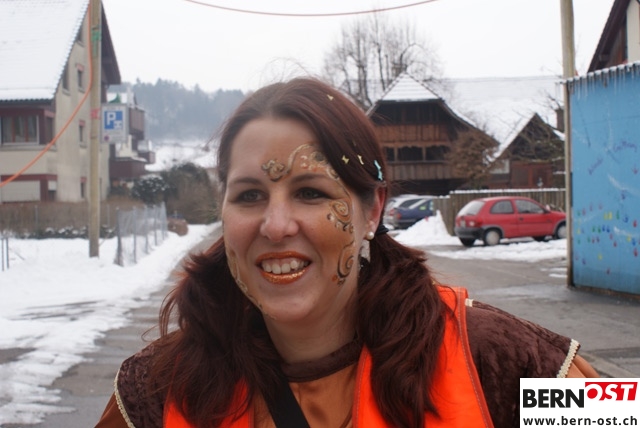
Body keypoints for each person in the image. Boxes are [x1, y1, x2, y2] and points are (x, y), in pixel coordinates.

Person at [96, 77, 598, 428]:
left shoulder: (506, 361)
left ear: (372, 211)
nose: (276, 225)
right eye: (249, 195)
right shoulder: (154, 394)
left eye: (310, 192)